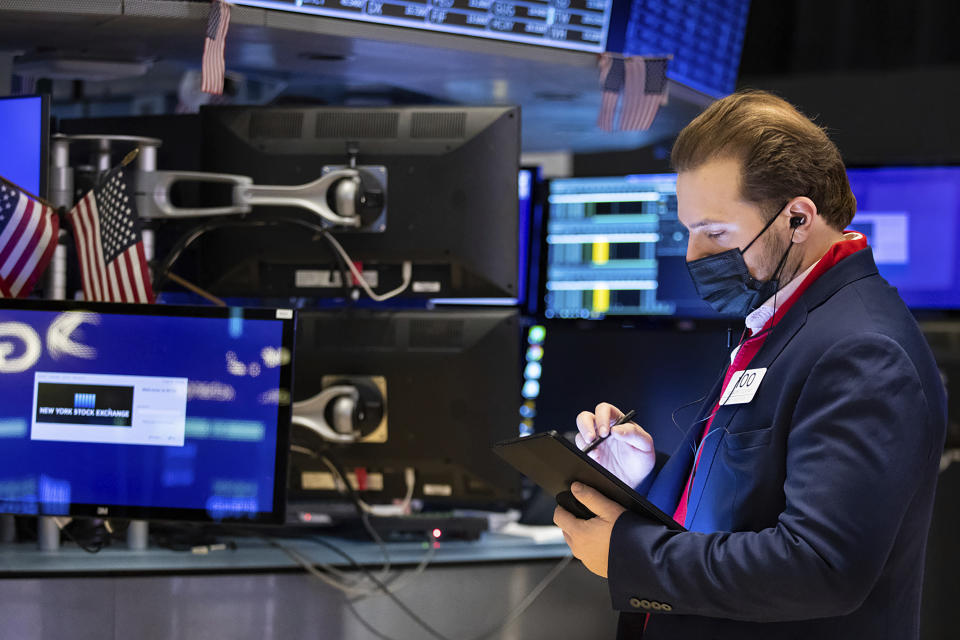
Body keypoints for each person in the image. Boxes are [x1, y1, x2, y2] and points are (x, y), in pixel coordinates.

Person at [552, 90, 947, 640]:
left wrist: (629, 555)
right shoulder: (783, 319)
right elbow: (749, 498)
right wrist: (649, 477)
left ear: (798, 218)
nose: (694, 256)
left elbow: (819, 568)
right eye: (689, 230)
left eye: (714, 233)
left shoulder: (863, 351)